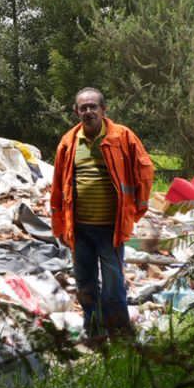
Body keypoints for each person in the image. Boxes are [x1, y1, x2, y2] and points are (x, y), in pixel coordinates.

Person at [50, 87, 154, 340]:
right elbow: (58, 186)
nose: (88, 111)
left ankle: (119, 333)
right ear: (76, 111)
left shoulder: (123, 137)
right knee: (85, 282)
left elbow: (144, 171)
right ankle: (93, 330)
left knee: (113, 284)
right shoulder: (69, 142)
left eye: (93, 106)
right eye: (83, 108)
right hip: (80, 228)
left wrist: (135, 209)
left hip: (111, 228)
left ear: (103, 109)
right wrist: (59, 225)